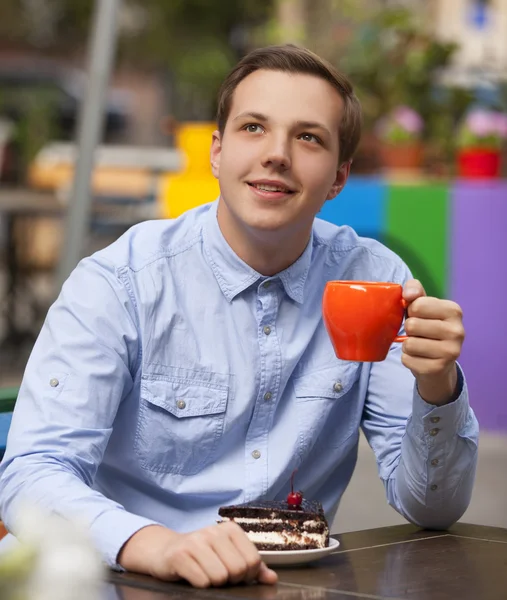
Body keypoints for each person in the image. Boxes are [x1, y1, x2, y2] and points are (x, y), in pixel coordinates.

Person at [0, 44, 478, 588]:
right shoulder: (122, 280)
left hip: (275, 586)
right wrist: (155, 545)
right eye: (254, 127)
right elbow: (31, 475)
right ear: (216, 152)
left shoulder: (377, 280)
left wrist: (437, 386)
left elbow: (433, 510)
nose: (277, 154)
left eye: (308, 137)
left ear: (340, 176)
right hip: (116, 581)